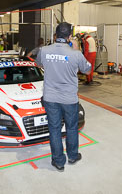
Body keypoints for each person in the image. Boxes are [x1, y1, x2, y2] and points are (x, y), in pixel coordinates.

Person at [36, 22, 92, 172]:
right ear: (69, 36)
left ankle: (59, 161)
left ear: (56, 34)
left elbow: (39, 64)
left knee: (54, 128)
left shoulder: (44, 50)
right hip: (69, 99)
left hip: (50, 97)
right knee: (72, 127)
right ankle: (73, 155)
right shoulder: (75, 53)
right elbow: (88, 70)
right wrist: (76, 49)